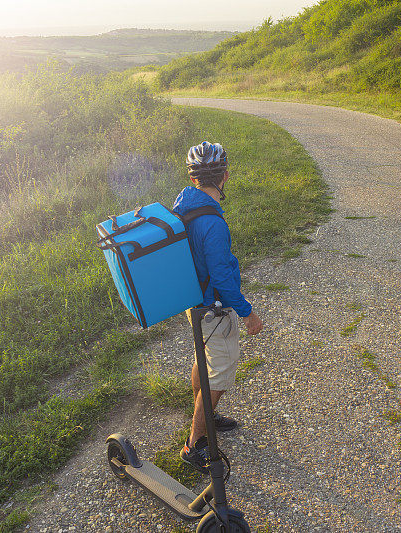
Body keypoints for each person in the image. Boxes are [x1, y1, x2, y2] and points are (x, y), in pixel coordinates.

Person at [172, 141, 264, 473]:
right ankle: (194, 444)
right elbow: (223, 277)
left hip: (192, 301)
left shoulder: (184, 204)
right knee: (219, 375)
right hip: (213, 306)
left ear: (194, 177)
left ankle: (207, 418)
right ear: (224, 176)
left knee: (204, 358)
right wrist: (247, 312)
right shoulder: (213, 223)